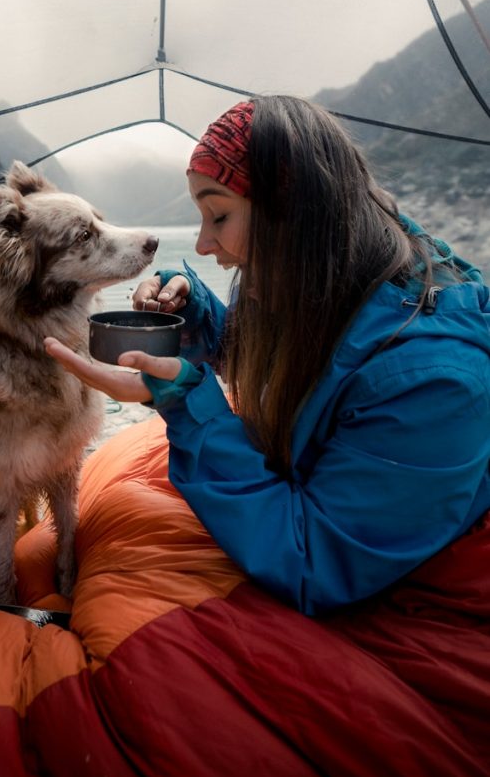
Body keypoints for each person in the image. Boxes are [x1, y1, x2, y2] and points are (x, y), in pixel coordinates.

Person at [44, 95, 490, 616]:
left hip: (402, 587)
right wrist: (195, 318)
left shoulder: (432, 382)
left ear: (296, 212)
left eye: (219, 214)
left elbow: (316, 563)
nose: (204, 243)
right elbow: (296, 361)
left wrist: (184, 402)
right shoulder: (320, 270)